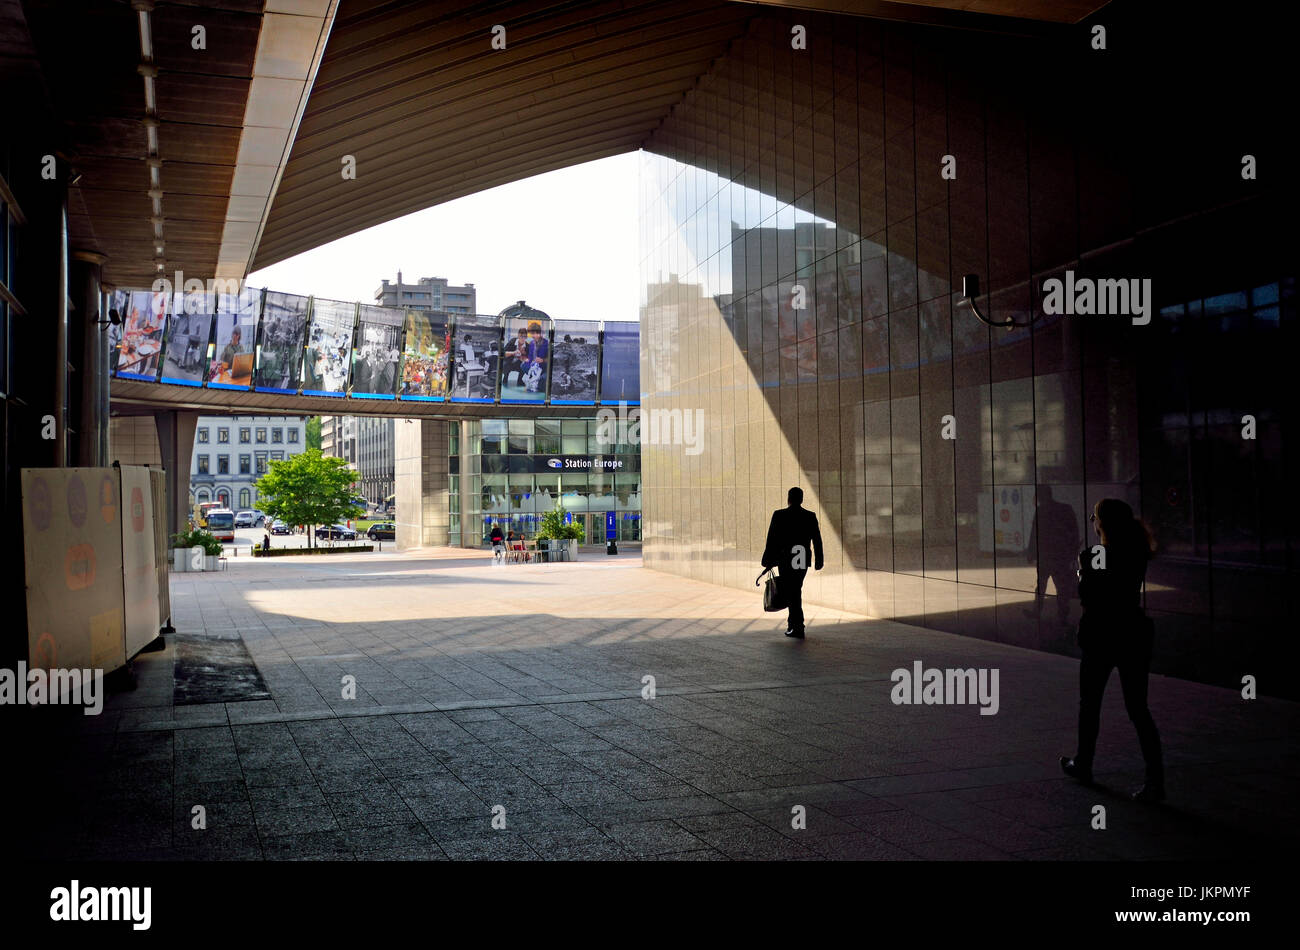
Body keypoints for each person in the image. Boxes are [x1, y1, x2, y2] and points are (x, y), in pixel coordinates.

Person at [1060, 498, 1164, 802]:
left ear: (1102, 523)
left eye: (1094, 518)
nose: (1093, 523)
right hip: (1133, 633)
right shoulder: (1136, 552)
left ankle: (1084, 763)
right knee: (1138, 709)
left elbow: (1088, 595)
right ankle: (1155, 780)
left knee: (1090, 703)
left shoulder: (1093, 555)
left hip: (1102, 636)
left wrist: (1082, 569)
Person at [760, 486, 824, 638]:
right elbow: (817, 540)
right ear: (801, 499)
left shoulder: (779, 515)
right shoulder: (810, 516)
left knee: (792, 591)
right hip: (801, 558)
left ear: (788, 498)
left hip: (786, 559)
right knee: (795, 590)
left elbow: (772, 540)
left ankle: (797, 626)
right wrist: (819, 559)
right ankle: (794, 625)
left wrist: (768, 560)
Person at [1024, 486, 1080, 627]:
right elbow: (1074, 532)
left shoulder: (1041, 511)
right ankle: (1062, 615)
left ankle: (1037, 611)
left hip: (1045, 555)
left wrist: (1031, 552)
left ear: (1041, 496)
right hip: (1061, 555)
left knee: (1041, 585)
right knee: (1062, 587)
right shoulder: (1066, 509)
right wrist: (1073, 551)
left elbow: (1034, 534)